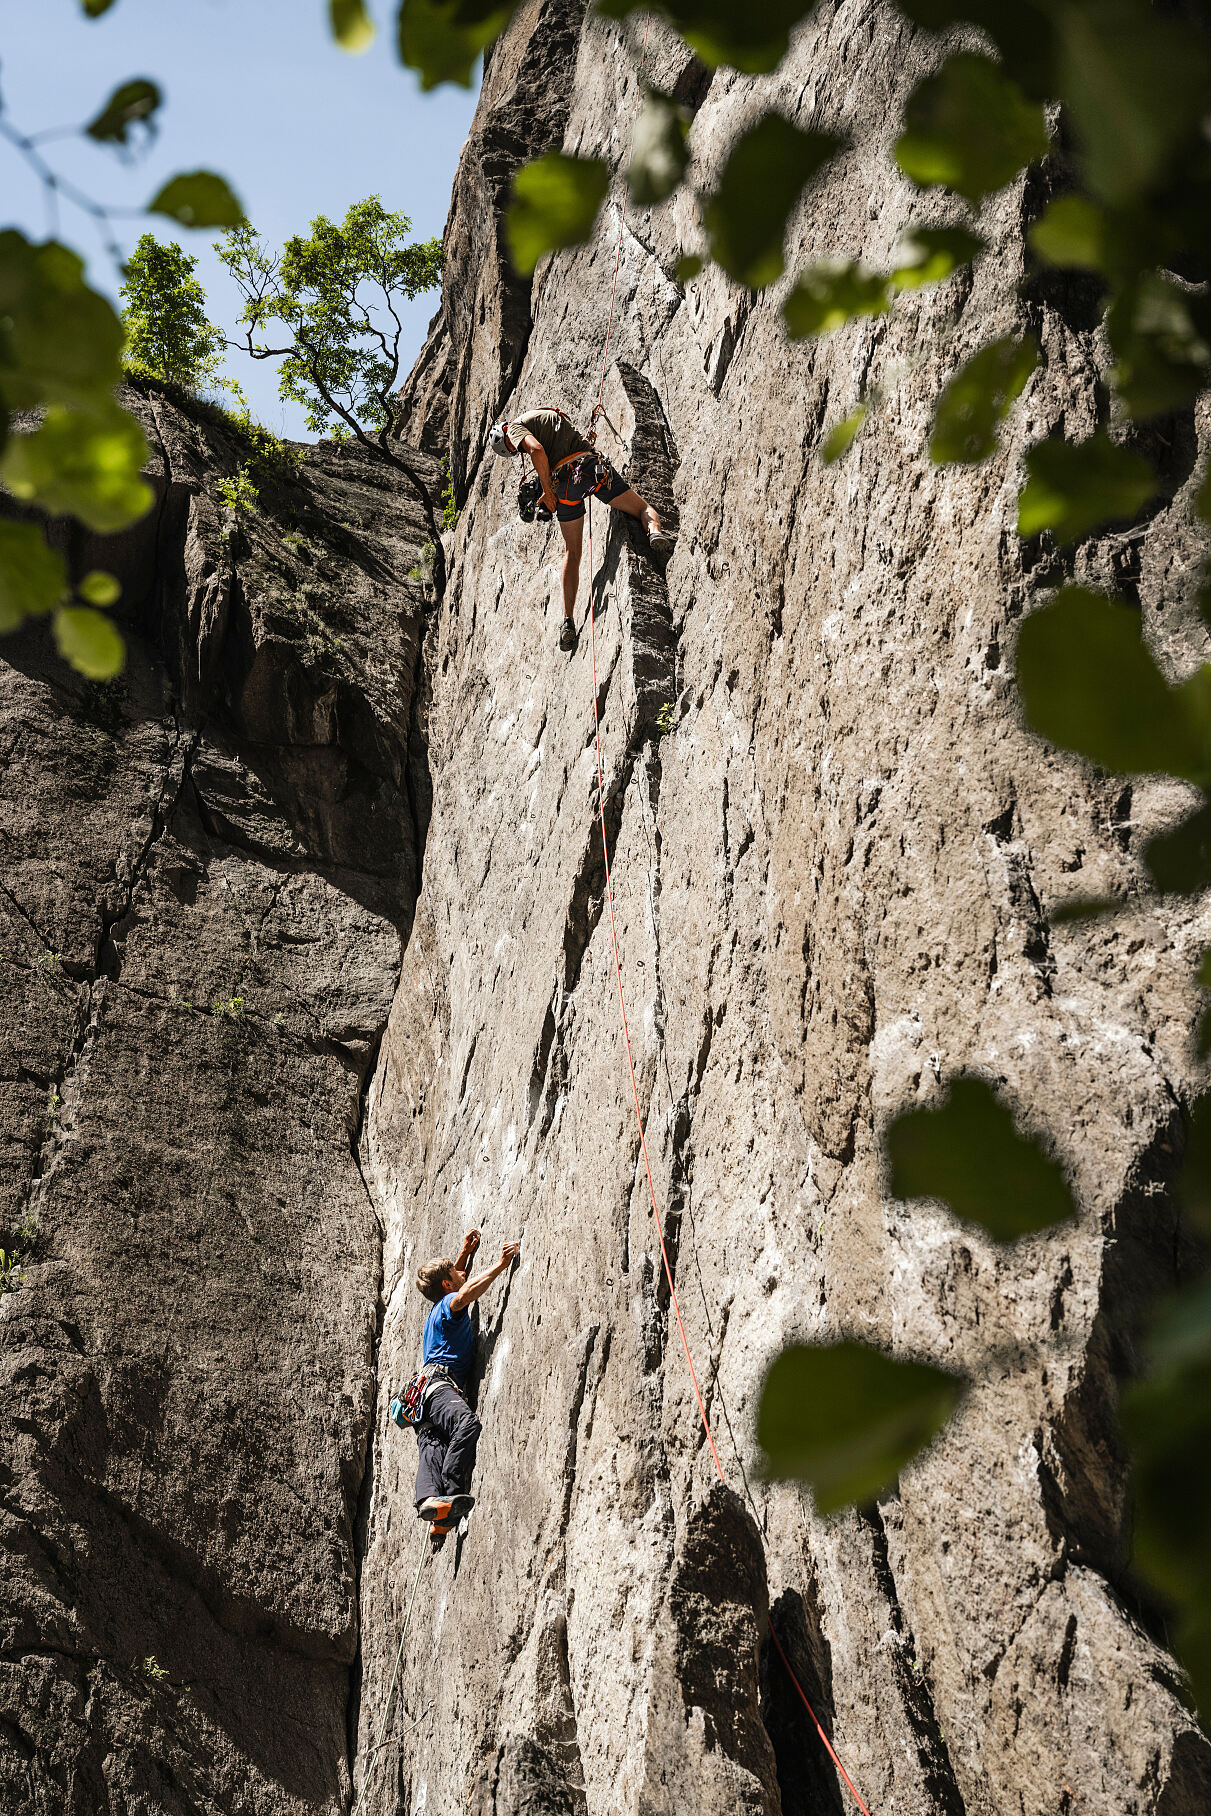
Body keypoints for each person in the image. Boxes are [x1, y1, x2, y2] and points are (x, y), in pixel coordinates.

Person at [489, 407, 676, 653]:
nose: (518, 450)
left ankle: (568, 619)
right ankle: (654, 531)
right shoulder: (546, 418)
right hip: (592, 470)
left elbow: (536, 449)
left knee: (572, 553)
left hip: (566, 489)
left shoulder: (514, 428)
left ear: (506, 436)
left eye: (514, 449)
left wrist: (546, 490)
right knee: (642, 509)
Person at [412, 1228, 520, 1539]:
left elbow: (454, 1279)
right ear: (446, 1285)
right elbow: (463, 1292)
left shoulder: (435, 1312)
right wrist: (500, 1265)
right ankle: (451, 1491)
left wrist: (464, 1252)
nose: (462, 1274)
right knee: (466, 1425)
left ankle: (434, 1508)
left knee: (431, 1448)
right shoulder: (447, 1306)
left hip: (421, 1401)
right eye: (455, 1274)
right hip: (439, 1388)